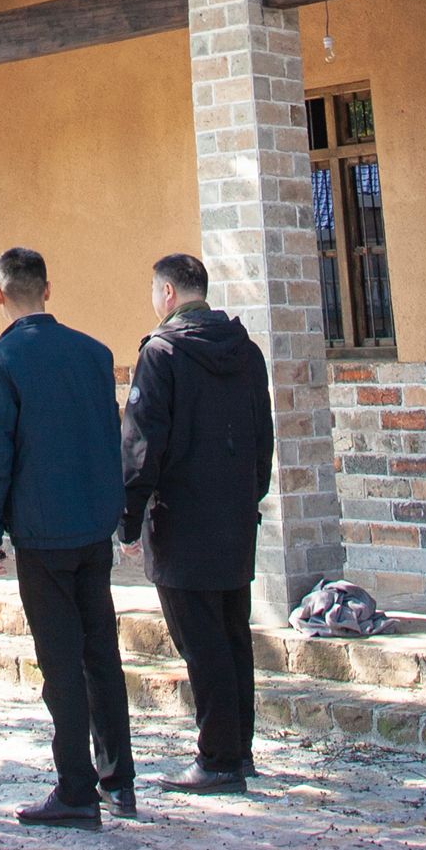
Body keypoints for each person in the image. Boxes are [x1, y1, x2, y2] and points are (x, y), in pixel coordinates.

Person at [0, 247, 136, 829]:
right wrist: (117, 512)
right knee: (101, 654)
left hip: (41, 531)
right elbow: (112, 436)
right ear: (47, 289)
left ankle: (75, 788)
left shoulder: (1, 360)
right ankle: (119, 780)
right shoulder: (94, 353)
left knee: (60, 663)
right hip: (91, 524)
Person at [120, 252, 275, 795]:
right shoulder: (246, 351)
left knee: (201, 641)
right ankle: (239, 749)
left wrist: (128, 517)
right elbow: (263, 436)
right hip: (234, 516)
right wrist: (249, 495)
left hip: (180, 519)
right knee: (232, 635)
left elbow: (141, 444)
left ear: (167, 293)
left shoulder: (161, 353)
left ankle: (218, 759)